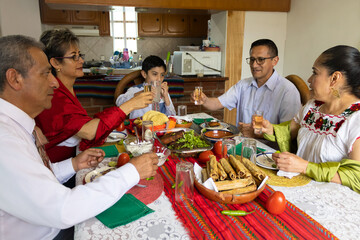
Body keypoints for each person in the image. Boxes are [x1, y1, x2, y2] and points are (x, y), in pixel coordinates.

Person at [0, 35, 159, 240]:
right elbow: (64, 210)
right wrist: (132, 171)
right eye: (45, 73)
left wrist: (73, 164)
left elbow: (39, 179)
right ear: (15, 79)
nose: (54, 83)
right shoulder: (6, 141)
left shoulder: (15, 126)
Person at [35, 28, 153, 163]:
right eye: (74, 56)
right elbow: (89, 131)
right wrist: (131, 104)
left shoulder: (65, 89)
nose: (81, 61)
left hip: (73, 157)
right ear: (55, 63)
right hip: (57, 169)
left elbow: (80, 125)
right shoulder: (54, 96)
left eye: (80, 55)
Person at [261, 45, 360, 193]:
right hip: (297, 188)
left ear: (334, 78)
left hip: (330, 201)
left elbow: (356, 176)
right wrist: (269, 129)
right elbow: (289, 131)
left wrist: (305, 167)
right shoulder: (313, 107)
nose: (309, 79)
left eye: (315, 73)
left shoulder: (355, 120)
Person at [191, 39, 301, 137]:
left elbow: (289, 133)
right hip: (241, 144)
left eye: (261, 60)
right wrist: (205, 100)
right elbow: (218, 103)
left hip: (270, 153)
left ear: (275, 61)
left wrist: (257, 134)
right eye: (252, 59)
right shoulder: (243, 85)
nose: (254, 65)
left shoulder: (288, 91)